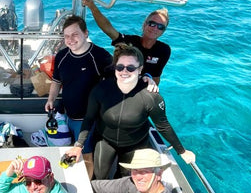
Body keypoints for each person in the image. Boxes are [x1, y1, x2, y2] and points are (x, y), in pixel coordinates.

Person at [66, 44, 195, 179]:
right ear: (115, 68)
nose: (124, 71)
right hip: (105, 141)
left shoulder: (151, 96)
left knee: (125, 178)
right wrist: (78, 145)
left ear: (140, 70)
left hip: (135, 145)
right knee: (99, 177)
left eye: (131, 68)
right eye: (120, 67)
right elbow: (89, 118)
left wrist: (182, 151)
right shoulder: (101, 90)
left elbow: (163, 126)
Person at [44, 15, 112, 174]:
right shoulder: (62, 56)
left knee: (86, 154)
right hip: (67, 115)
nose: (70, 40)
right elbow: (56, 81)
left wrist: (146, 78)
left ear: (86, 33)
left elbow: (121, 76)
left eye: (75, 34)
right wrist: (50, 99)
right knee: (69, 150)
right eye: (66, 36)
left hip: (88, 120)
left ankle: (87, 188)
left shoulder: (100, 56)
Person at [83, 0, 171, 84]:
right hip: (118, 81)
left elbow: (156, 77)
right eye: (152, 23)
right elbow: (108, 29)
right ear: (144, 25)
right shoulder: (130, 42)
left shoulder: (164, 50)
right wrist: (92, 7)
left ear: (163, 31)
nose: (155, 28)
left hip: (140, 86)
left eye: (160, 27)